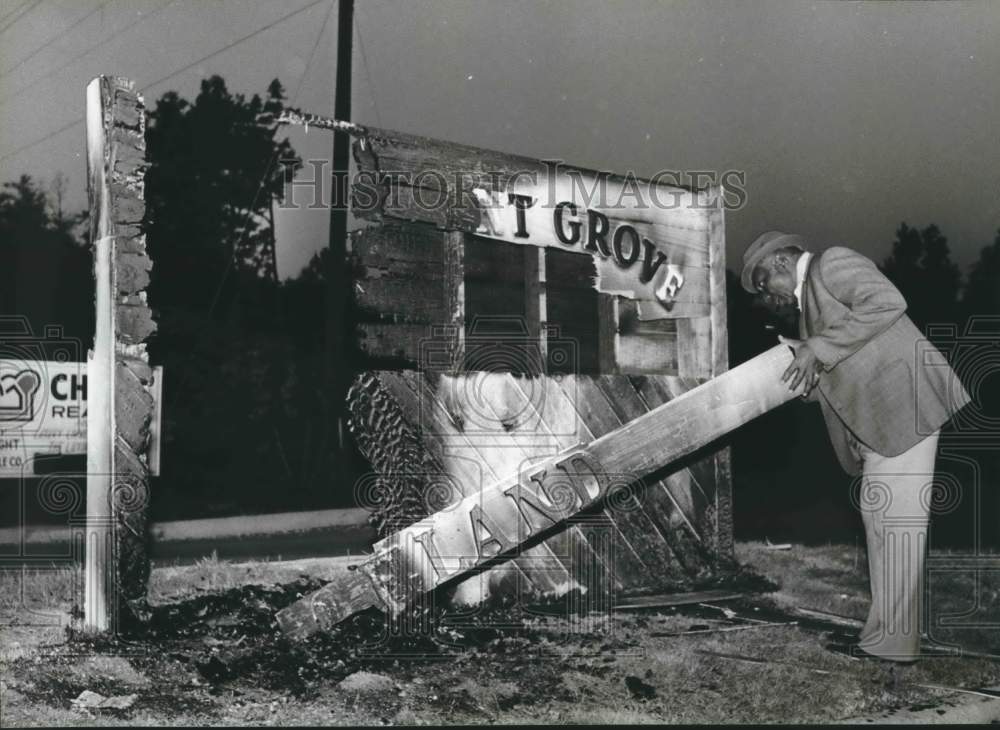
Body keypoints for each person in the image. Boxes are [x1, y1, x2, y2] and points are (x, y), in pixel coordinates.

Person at [740, 231, 971, 663]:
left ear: (780, 263)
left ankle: (894, 645)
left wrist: (816, 348)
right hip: (879, 425)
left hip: (906, 411)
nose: (766, 297)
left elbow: (887, 301)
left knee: (897, 529)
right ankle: (882, 639)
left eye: (763, 283)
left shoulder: (831, 264)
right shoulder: (808, 310)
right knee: (882, 527)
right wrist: (799, 369)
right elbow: (842, 365)